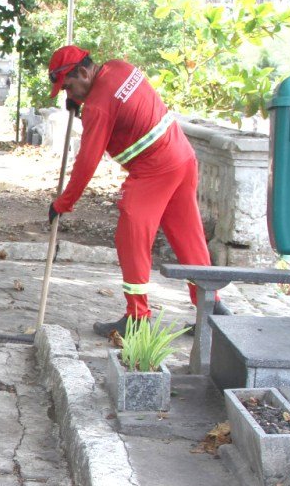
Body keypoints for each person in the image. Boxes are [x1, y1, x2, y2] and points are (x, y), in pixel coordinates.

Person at [46, 45, 227, 336]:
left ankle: (138, 317)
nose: (69, 94)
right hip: (182, 157)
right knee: (188, 238)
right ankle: (212, 310)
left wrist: (63, 203)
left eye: (68, 87)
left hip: (155, 169)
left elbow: (87, 162)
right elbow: (121, 104)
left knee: (130, 237)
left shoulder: (97, 107)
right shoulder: (120, 67)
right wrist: (78, 101)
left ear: (83, 72)